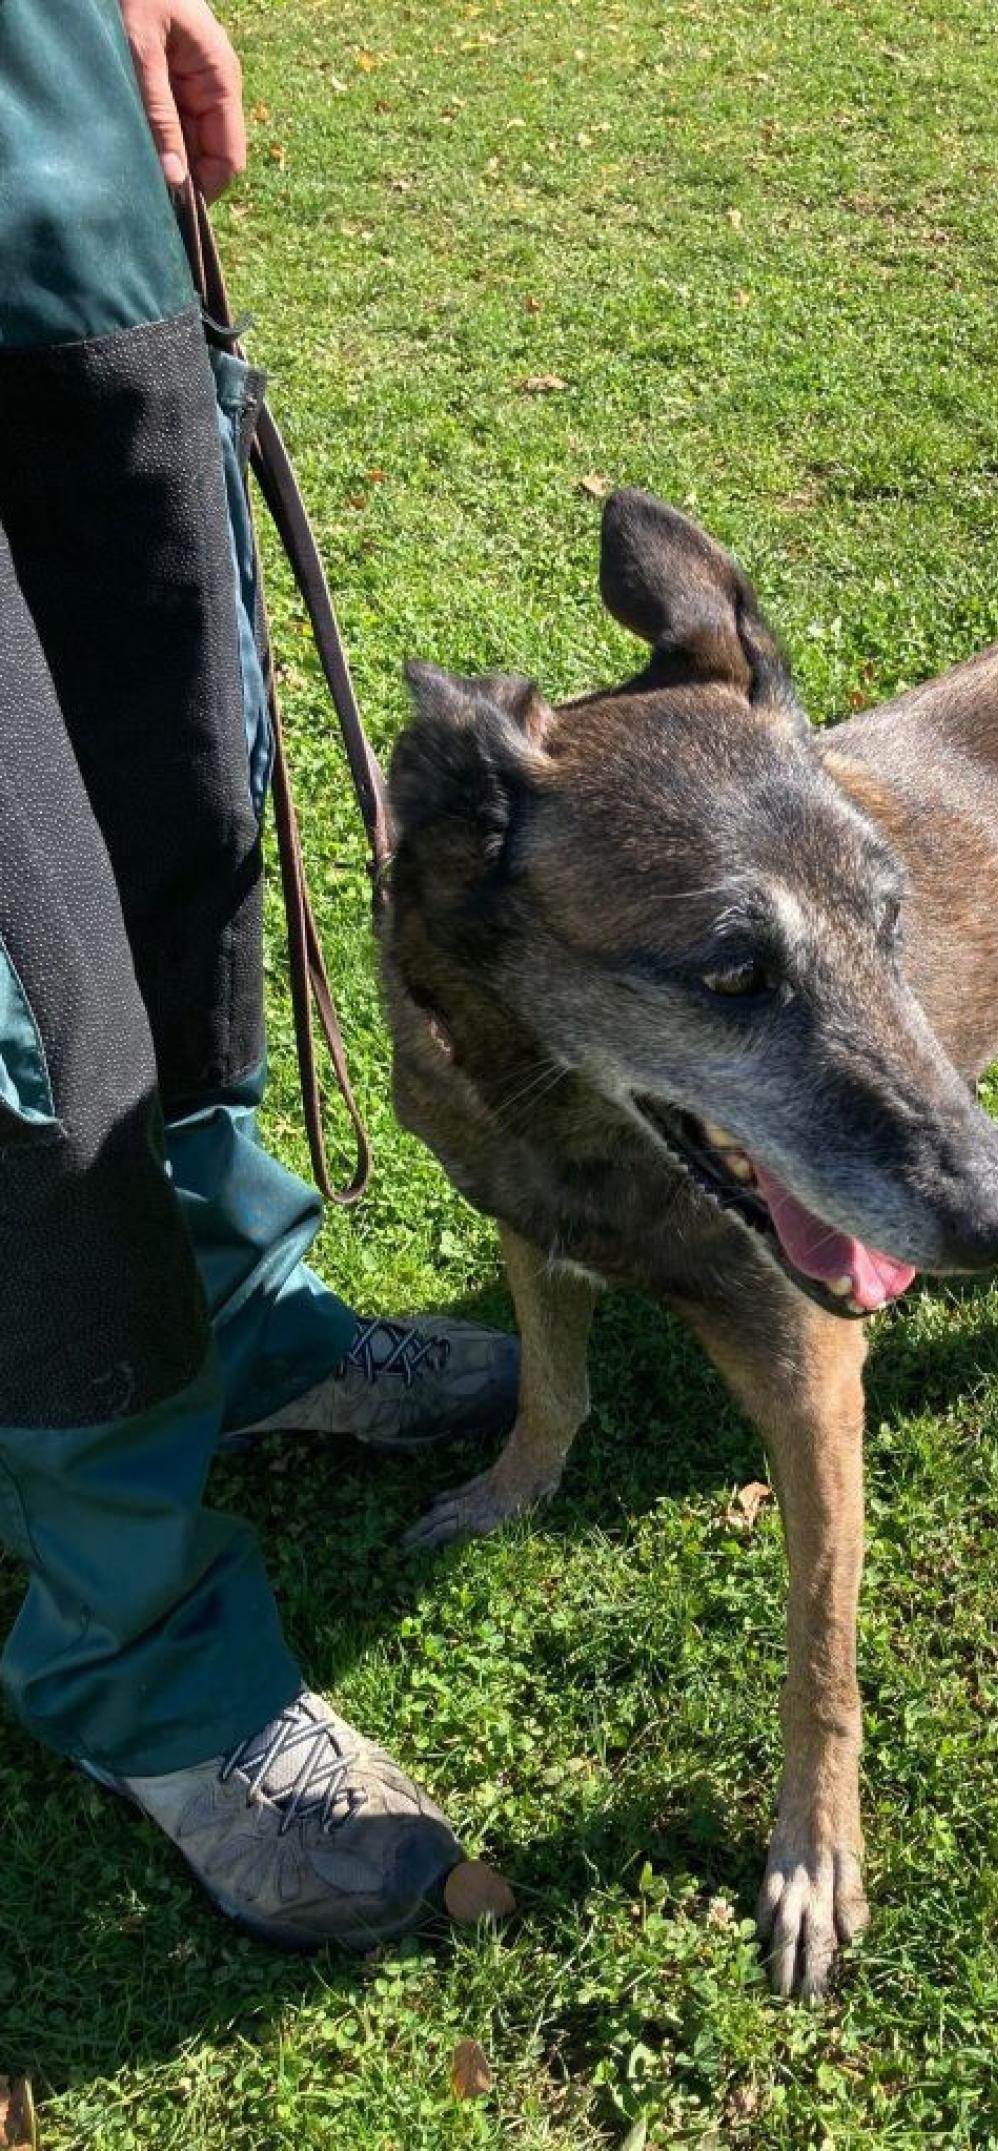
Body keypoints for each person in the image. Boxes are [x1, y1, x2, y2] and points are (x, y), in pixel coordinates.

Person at [0, 0, 519, 1947]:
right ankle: (136, 1661)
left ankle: (240, 1314)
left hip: (43, 145)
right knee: (24, 970)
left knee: (182, 790)